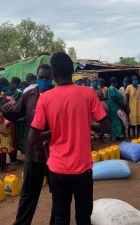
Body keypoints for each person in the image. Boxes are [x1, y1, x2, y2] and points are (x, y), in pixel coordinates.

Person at [28, 52, 111, 225]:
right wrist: (86, 125)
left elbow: (33, 137)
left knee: (60, 218)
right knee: (83, 217)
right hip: (83, 169)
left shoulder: (46, 99)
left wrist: (53, 132)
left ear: (54, 73)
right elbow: (106, 127)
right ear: (72, 71)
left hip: (57, 169)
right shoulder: (88, 94)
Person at [3, 64, 55, 225]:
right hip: (33, 153)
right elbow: (15, 114)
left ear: (52, 78)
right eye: (41, 77)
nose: (44, 80)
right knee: (28, 194)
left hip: (53, 154)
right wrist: (7, 110)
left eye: (47, 77)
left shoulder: (57, 94)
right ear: (36, 77)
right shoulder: (28, 95)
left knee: (59, 195)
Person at [0, 78, 16, 172]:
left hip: (1, 120)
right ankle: (3, 167)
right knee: (4, 141)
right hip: (2, 121)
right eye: (6, 86)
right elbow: (2, 109)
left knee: (4, 141)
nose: (7, 87)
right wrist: (8, 102)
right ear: (1, 85)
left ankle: (1, 163)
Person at [107, 77, 126, 141]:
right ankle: (114, 136)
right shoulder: (111, 88)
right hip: (113, 108)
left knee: (118, 122)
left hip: (117, 108)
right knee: (115, 122)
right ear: (115, 82)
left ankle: (118, 135)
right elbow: (114, 98)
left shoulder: (114, 88)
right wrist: (121, 104)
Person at [92, 78, 108, 143]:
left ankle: (101, 137)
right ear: (92, 82)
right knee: (94, 123)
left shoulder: (99, 88)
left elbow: (102, 96)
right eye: (94, 81)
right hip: (93, 108)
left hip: (100, 106)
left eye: (96, 81)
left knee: (102, 122)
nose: (95, 82)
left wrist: (99, 98)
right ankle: (96, 136)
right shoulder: (90, 89)